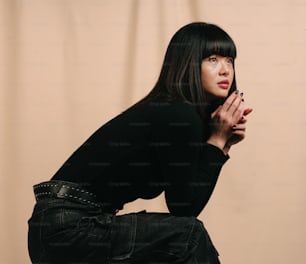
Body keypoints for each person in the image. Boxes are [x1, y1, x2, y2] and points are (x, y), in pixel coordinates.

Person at [28, 22, 253, 264]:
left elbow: (188, 200)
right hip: (67, 228)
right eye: (212, 59)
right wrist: (218, 141)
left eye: (229, 60)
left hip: (65, 226)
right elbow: (185, 208)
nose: (225, 70)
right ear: (187, 63)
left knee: (180, 239)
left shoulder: (178, 114)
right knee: (189, 236)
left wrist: (223, 143)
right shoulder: (178, 115)